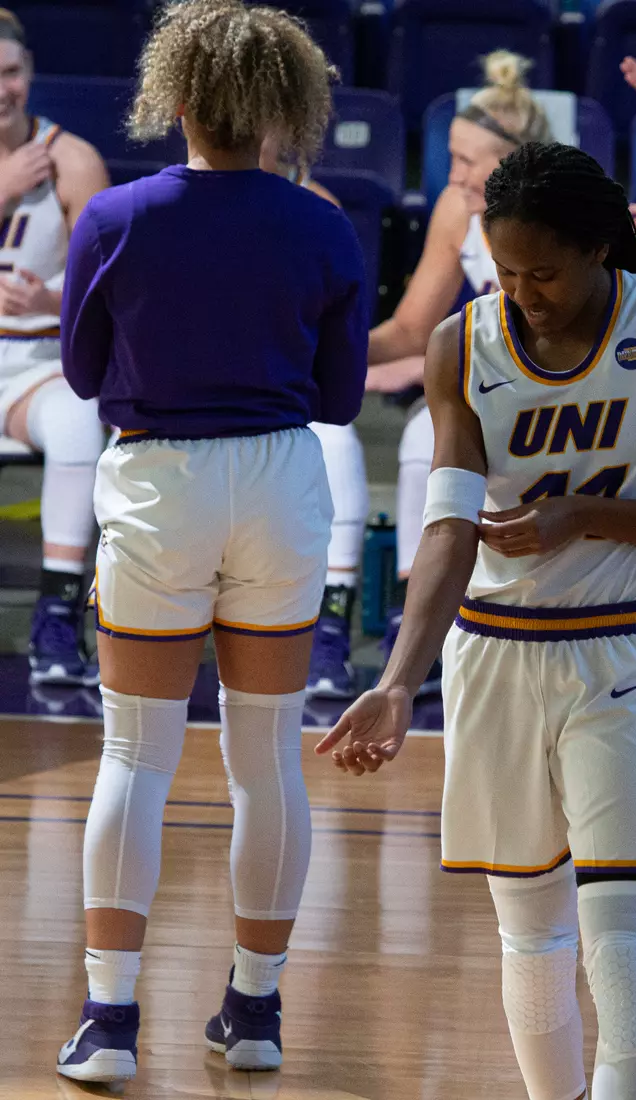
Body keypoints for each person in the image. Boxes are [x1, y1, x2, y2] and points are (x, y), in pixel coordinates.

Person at [317, 142, 636, 1100]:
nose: (523, 291)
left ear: (601, 248)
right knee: (530, 936)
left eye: (544, 272)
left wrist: (587, 513)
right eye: (506, 270)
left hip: (625, 651)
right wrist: (399, 680)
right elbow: (448, 526)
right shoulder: (459, 344)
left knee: (622, 935)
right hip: (494, 659)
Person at [54, 0, 366, 1083]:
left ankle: (110, 1019)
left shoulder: (115, 216)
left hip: (158, 477)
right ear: (284, 109)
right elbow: (337, 396)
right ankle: (255, 1010)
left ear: (174, 96)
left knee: (135, 755)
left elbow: (86, 377)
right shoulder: (326, 224)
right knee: (265, 759)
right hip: (282, 477)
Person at [306, 49, 553, 700]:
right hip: (485, 386)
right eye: (452, 154)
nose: (455, 173)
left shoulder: (556, 214)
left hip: (559, 390)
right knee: (422, 442)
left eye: (471, 161)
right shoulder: (453, 208)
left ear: (516, 164)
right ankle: (416, 623)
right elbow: (413, 328)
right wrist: (328, 355)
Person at [0, 9, 109, 684]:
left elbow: (108, 286)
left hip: (33, 369)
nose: (1, 89)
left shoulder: (73, 159)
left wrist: (49, 300)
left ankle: (58, 613)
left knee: (77, 419)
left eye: (11, 73)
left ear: (31, 74)